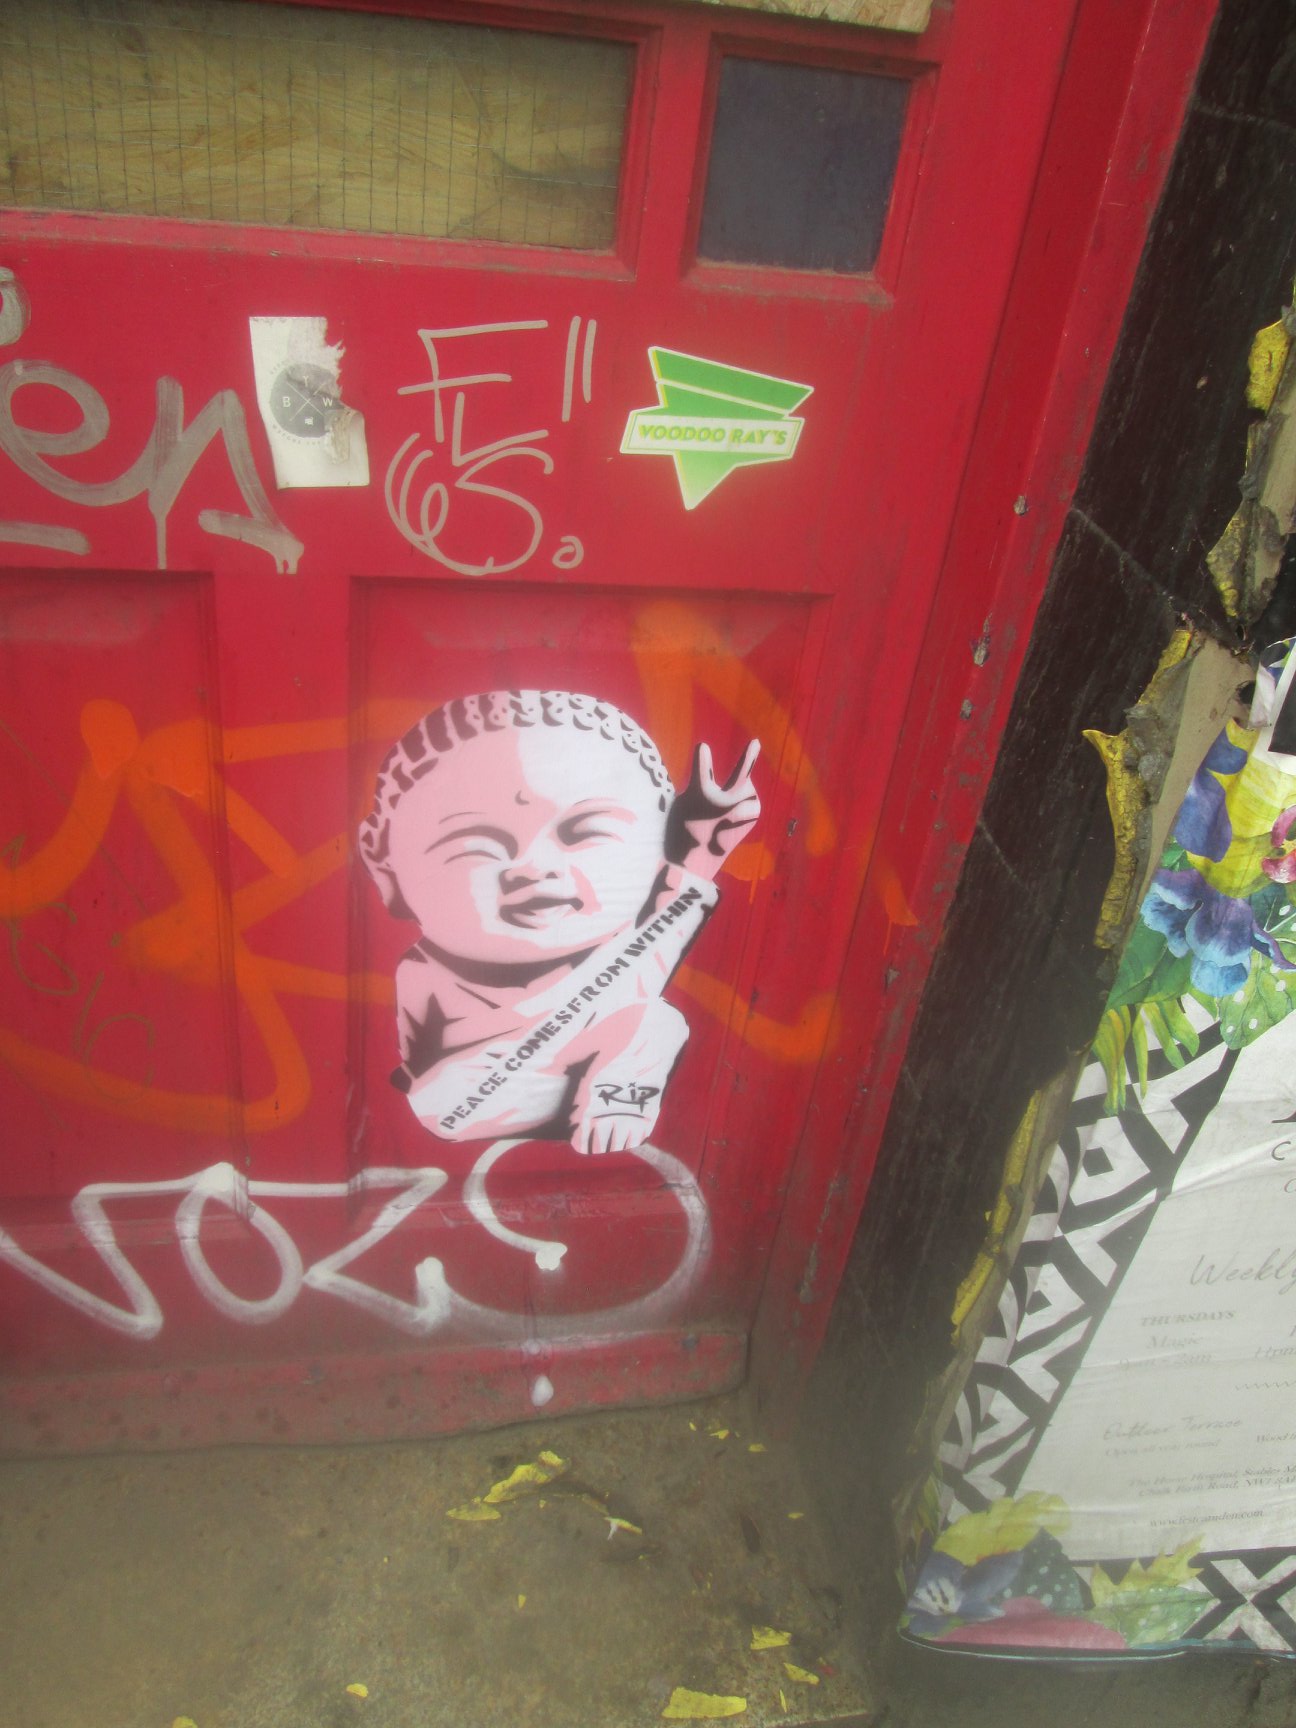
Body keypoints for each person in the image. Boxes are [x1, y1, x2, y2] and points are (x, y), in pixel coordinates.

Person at [359, 690, 760, 1155]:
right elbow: (423, 1068)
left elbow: (639, 966)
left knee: (655, 1020)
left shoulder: (620, 952)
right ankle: (591, 1091)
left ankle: (617, 1098)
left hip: (598, 1059)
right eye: (478, 844)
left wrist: (697, 855)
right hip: (478, 1097)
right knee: (442, 1094)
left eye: (585, 831)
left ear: (656, 846)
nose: (534, 867)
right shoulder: (423, 971)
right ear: (386, 867)